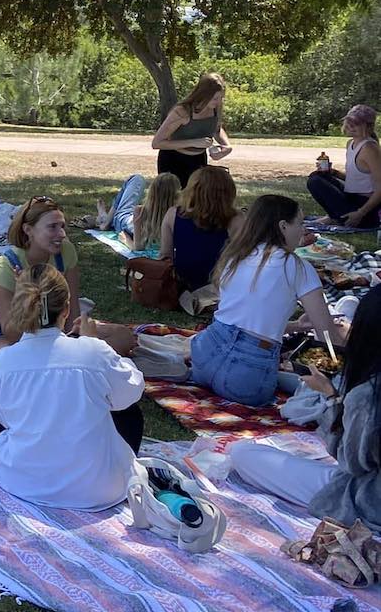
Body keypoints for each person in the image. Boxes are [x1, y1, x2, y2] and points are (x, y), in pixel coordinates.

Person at [0, 264, 146, 510]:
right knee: (128, 412)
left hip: (24, 484)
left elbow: (1, 416)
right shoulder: (93, 351)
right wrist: (94, 343)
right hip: (99, 489)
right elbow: (131, 390)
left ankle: (33, 464)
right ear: (67, 309)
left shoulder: (3, 362)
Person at [228, 287, 381, 531]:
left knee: (242, 453)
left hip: (368, 502)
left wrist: (330, 397)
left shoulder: (368, 395)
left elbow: (352, 463)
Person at [189, 194, 346, 407]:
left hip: (205, 356)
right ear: (283, 226)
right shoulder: (297, 266)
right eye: (299, 223)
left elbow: (242, 322)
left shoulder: (235, 256)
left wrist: (295, 327)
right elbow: (327, 333)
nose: (303, 230)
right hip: (247, 376)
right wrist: (346, 363)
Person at [0, 197, 82, 366]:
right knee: (25, 361)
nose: (61, 234)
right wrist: (27, 291)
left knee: (118, 338)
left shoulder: (65, 251)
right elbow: (12, 334)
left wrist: (74, 340)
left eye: (62, 226)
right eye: (52, 227)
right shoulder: (6, 266)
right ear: (28, 229)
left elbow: (73, 306)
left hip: (51, 326)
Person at [157, 165, 242, 291]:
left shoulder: (173, 214)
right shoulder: (236, 220)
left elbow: (165, 256)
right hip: (221, 286)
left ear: (191, 190)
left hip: (182, 284)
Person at [151, 72, 232, 187]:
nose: (218, 102)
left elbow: (216, 128)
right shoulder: (182, 112)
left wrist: (227, 146)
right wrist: (193, 142)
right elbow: (157, 143)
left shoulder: (215, 108)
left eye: (221, 98)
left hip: (199, 160)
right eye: (215, 98)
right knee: (174, 201)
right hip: (174, 161)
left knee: (196, 200)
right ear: (203, 94)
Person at [307, 104, 381, 229]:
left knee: (315, 181)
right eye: (349, 121)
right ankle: (335, 217)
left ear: (368, 126)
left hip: (365, 210)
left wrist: (360, 213)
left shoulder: (369, 148)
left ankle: (337, 218)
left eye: (356, 123)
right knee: (316, 177)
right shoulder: (351, 143)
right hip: (352, 198)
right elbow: (360, 181)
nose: (350, 126)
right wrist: (334, 173)